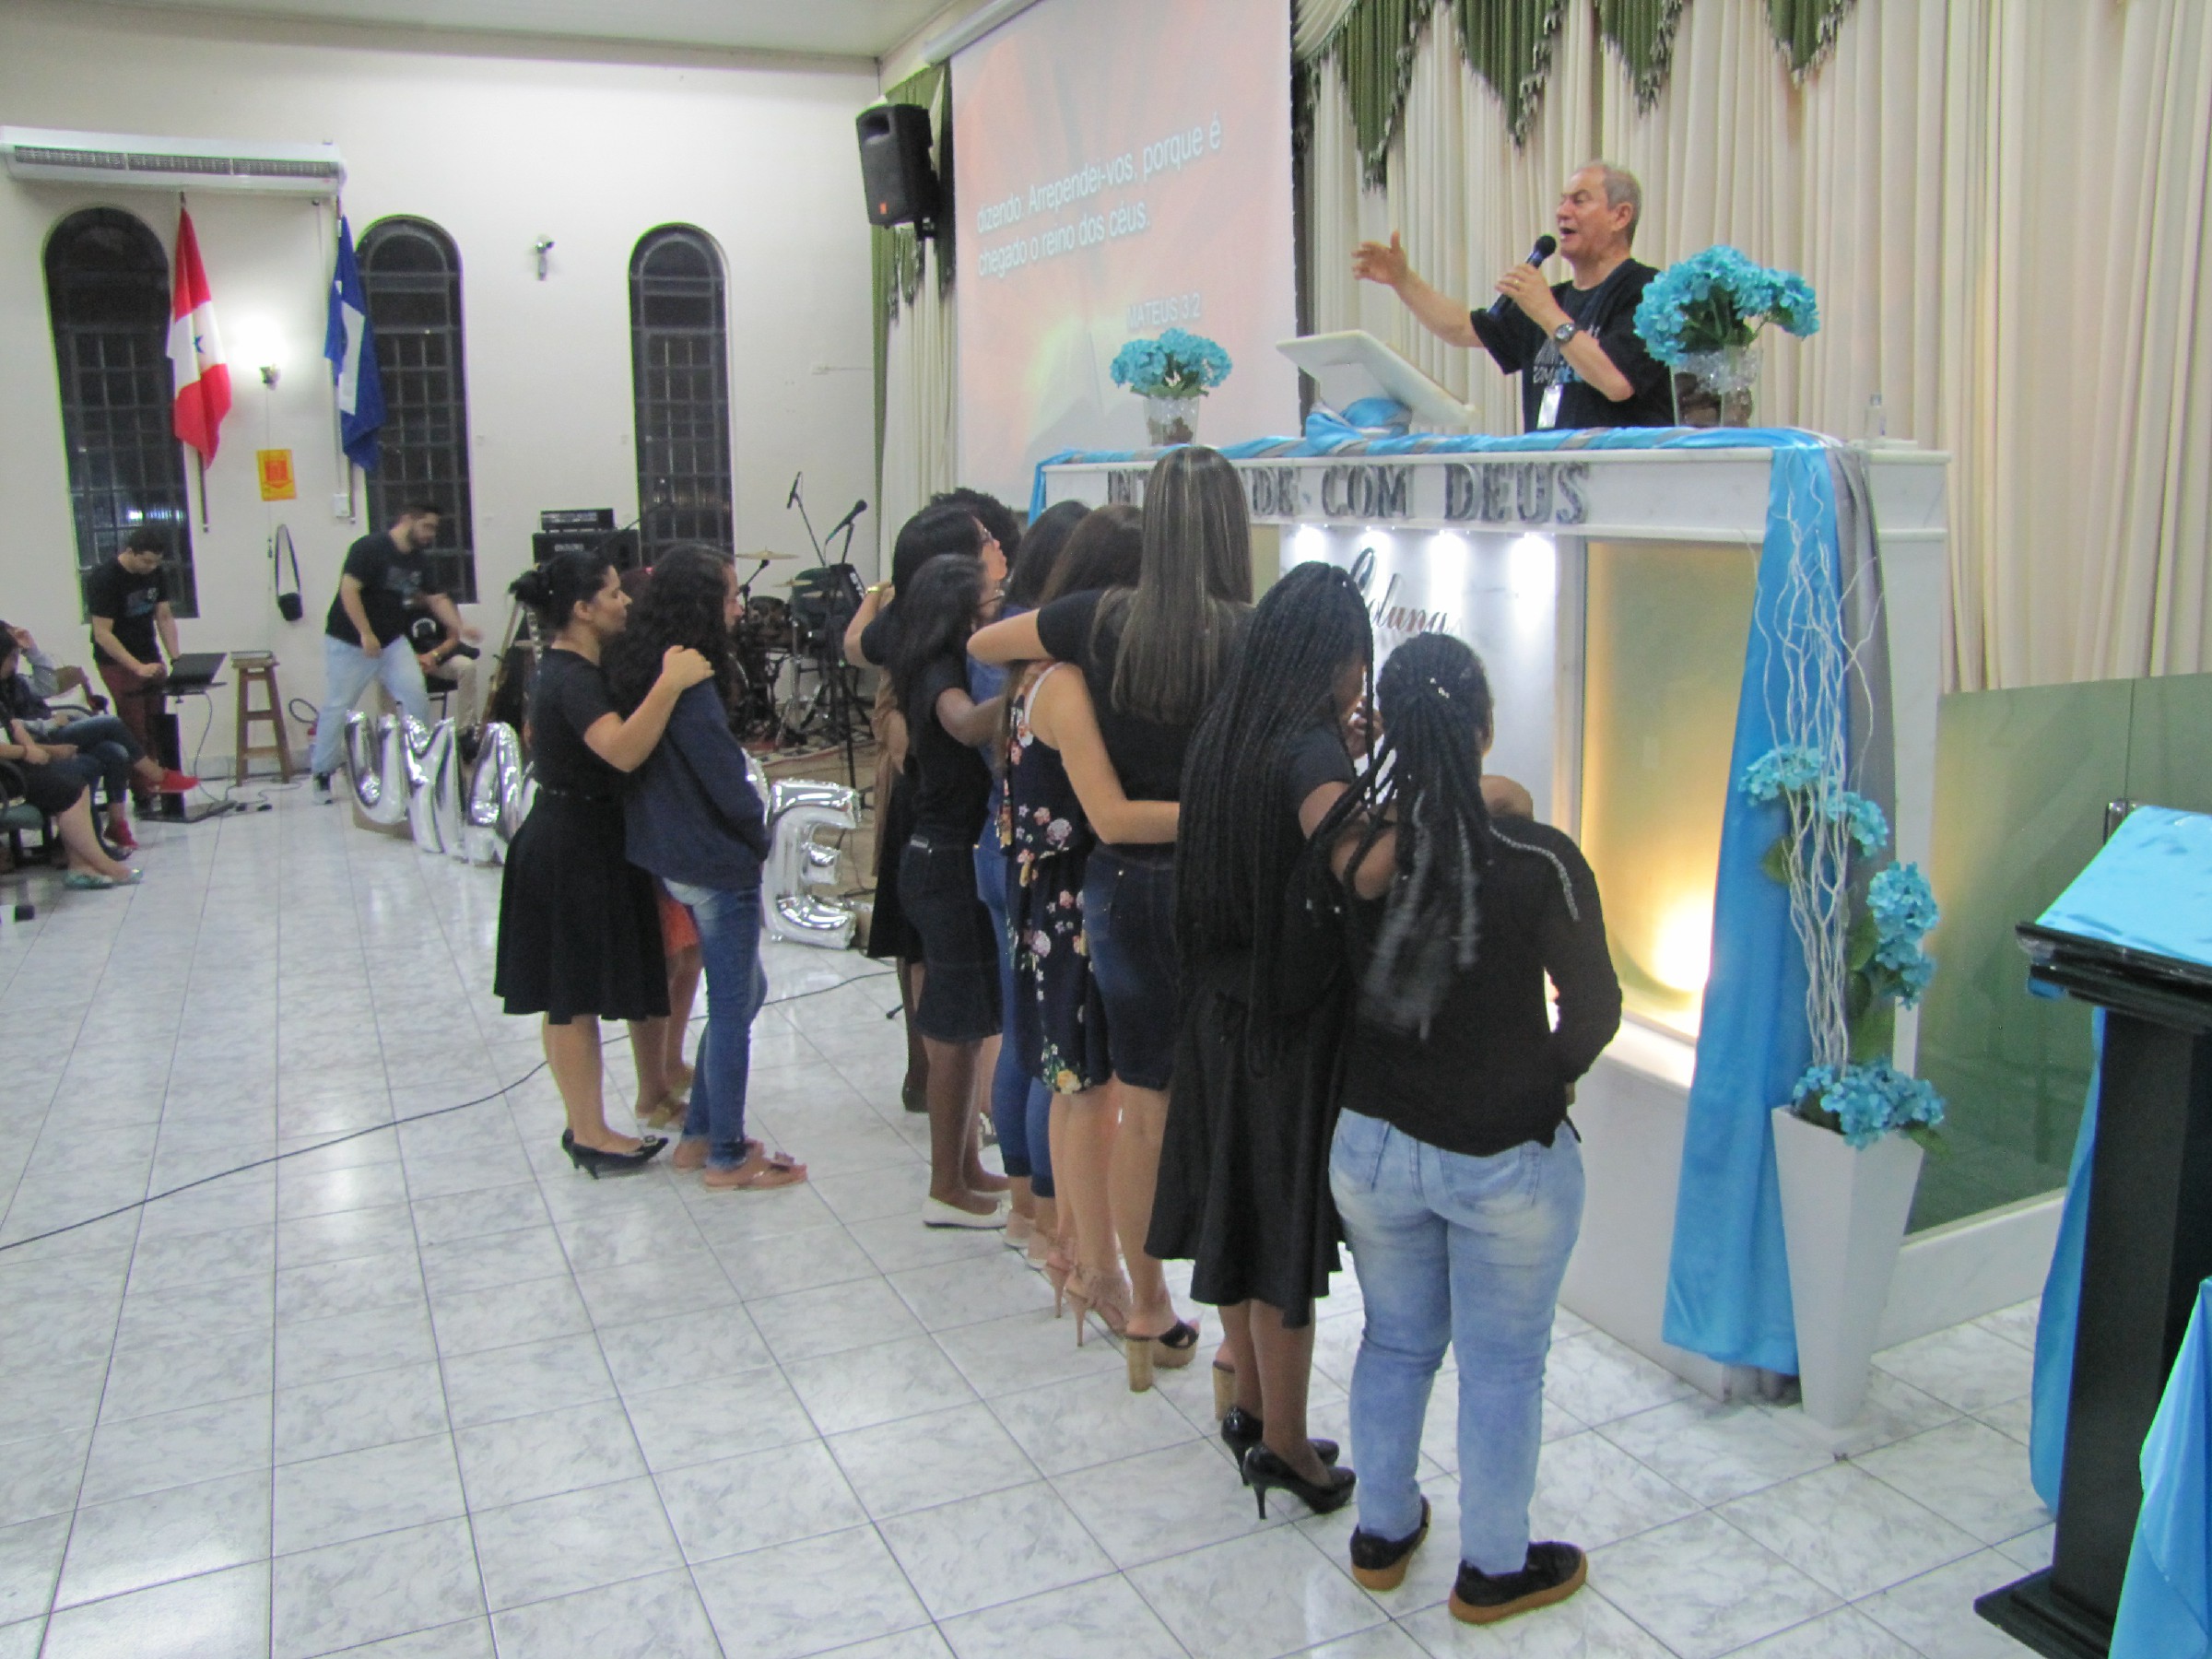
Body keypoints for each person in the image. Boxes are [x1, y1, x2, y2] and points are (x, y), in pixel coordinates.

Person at [1321, 633, 1621, 1624]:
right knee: (1502, 1366)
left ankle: (1381, 1533)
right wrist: (1543, 1079)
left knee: (1396, 1341)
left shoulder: (1358, 859)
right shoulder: (1539, 859)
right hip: (1501, 1155)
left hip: (1370, 1142)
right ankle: (1492, 1568)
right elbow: (1595, 1011)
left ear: (1389, 733)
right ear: (1486, 727)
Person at [970, 445, 1253, 1380]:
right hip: (1213, 882)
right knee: (1211, 1107)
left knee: (1134, 1104)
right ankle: (1229, 1324)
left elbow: (987, 646)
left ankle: (1143, 1299)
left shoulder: (1098, 621)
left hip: (1117, 887)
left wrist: (1061, 651)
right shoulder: (1249, 632)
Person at [1158, 560, 1372, 1510]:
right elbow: (1359, 864)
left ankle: (1249, 1405)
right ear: (1335, 659)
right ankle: (1287, 1445)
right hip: (1282, 1035)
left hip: (1218, 1015)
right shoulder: (1308, 749)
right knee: (1282, 1238)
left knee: (1238, 1220)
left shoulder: (1225, 732)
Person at [492, 549, 712, 1175]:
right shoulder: (571, 677)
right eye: (613, 593)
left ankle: (594, 1123)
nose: (625, 601)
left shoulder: (579, 669)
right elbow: (620, 750)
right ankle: (587, 1130)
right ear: (582, 610)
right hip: (570, 844)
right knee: (569, 996)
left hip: (586, 837)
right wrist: (670, 684)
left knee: (576, 993)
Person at [998, 505, 1151, 1335]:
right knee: (1091, 1093)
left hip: (1053, 899)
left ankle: (1072, 1247)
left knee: (1074, 1087)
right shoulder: (1064, 684)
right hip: (1072, 904)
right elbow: (1112, 815)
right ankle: (1100, 1269)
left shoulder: (1039, 675)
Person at [608, 546, 803, 1192]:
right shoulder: (688, 685)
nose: (739, 608)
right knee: (731, 1007)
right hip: (714, 861)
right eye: (729, 596)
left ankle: (697, 1134)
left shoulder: (647, 668)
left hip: (675, 853)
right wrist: (756, 830)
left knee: (746, 992)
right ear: (701, 606)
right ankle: (724, 1152)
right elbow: (723, 777)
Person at [846, 504, 1007, 1117]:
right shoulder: (940, 660)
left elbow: (858, 642)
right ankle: (950, 1145)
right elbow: (963, 724)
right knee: (955, 1019)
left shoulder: (912, 632)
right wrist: (1033, 689)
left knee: (957, 1005)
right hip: (942, 840)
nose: (997, 547)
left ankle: (958, 1141)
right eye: (984, 540)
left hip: (941, 835)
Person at [974, 498, 1088, 1264]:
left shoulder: (1018, 644)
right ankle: (1049, 1222)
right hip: (1039, 864)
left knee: (1025, 1035)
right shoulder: (1053, 659)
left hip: (1004, 845)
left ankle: (1026, 1210)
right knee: (1056, 1050)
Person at [1353, 161, 1673, 430]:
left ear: (1620, 216)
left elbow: (1616, 382)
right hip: (1547, 472)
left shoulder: (1649, 292)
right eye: (1562, 201)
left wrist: (1546, 312)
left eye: (1579, 201)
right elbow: (1460, 328)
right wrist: (1403, 281)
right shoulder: (1552, 300)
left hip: (1619, 474)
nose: (1562, 212)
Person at [889, 553, 1009, 1227]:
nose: (997, 608)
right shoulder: (938, 673)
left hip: (946, 856)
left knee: (967, 1030)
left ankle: (965, 1166)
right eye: (989, 599)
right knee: (954, 1034)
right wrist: (1031, 693)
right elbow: (965, 724)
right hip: (945, 860)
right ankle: (945, 1185)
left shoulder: (942, 664)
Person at [310, 502, 481, 791]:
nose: (431, 534)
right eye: (427, 526)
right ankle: (322, 773)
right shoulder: (370, 548)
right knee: (339, 705)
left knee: (415, 695)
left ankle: (420, 763)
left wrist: (460, 627)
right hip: (349, 641)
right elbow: (349, 590)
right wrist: (365, 633)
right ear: (407, 519)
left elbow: (436, 598)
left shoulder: (418, 560)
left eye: (434, 529)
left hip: (391, 642)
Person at [0, 624, 194, 851]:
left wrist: (32, 650)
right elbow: (10, 726)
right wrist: (50, 723)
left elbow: (47, 687)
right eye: (11, 655)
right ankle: (156, 775)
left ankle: (115, 825)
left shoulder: (16, 681)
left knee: (114, 751)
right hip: (39, 741)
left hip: (50, 731)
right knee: (111, 723)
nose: (15, 660)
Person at [84, 528, 182, 800]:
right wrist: (136, 667)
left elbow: (164, 616)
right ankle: (142, 793)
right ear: (130, 552)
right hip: (117, 661)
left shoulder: (155, 573)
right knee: (134, 727)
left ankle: (162, 784)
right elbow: (103, 634)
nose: (151, 567)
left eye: (156, 562)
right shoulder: (105, 578)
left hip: (148, 652)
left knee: (156, 724)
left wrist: (176, 658)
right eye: (146, 561)